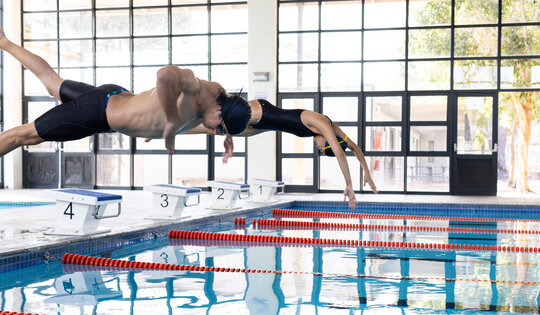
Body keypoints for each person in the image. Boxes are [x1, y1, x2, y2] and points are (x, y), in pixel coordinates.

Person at [0, 27, 251, 157]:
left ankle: (4, 43)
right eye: (219, 128)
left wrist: (228, 134)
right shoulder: (193, 89)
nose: (214, 132)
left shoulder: (215, 97)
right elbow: (165, 75)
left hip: (113, 97)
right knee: (23, 136)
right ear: (219, 110)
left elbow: (228, 116)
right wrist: (172, 118)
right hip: (98, 112)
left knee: (52, 82)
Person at [188, 99, 378, 208]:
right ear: (328, 142)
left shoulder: (332, 130)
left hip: (264, 125)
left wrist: (367, 172)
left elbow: (355, 148)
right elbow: (340, 153)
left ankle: (177, 129)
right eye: (321, 148)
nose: (317, 147)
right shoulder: (322, 123)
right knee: (220, 117)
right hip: (261, 112)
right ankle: (190, 105)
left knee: (215, 130)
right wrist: (349, 185)